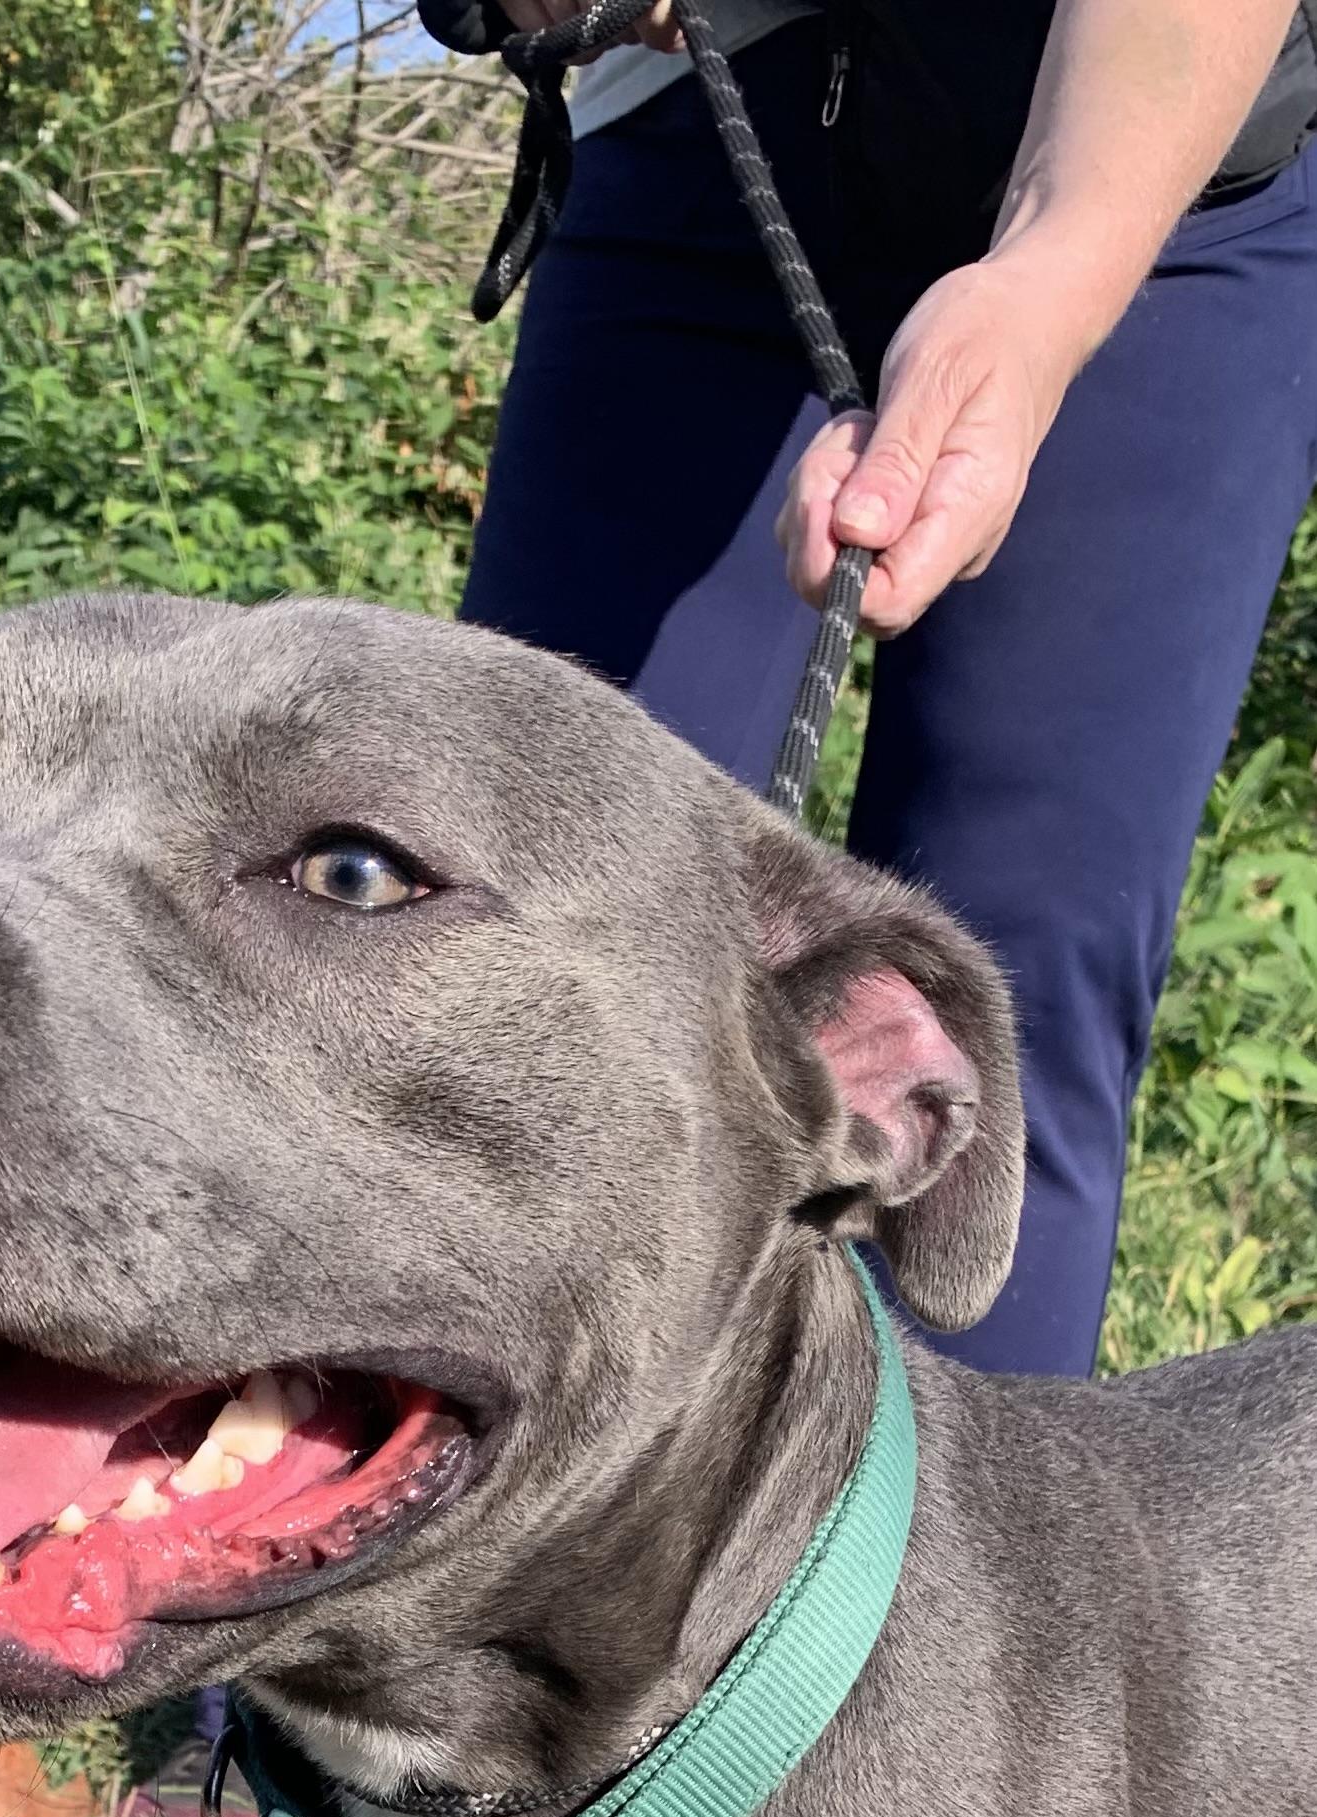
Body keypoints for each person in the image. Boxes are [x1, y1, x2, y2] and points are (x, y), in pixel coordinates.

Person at [451, 0, 1317, 1375]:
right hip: (703, 127)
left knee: (1011, 993)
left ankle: (958, 1577)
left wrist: (1053, 273)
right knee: (526, 927)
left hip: (1170, 178)